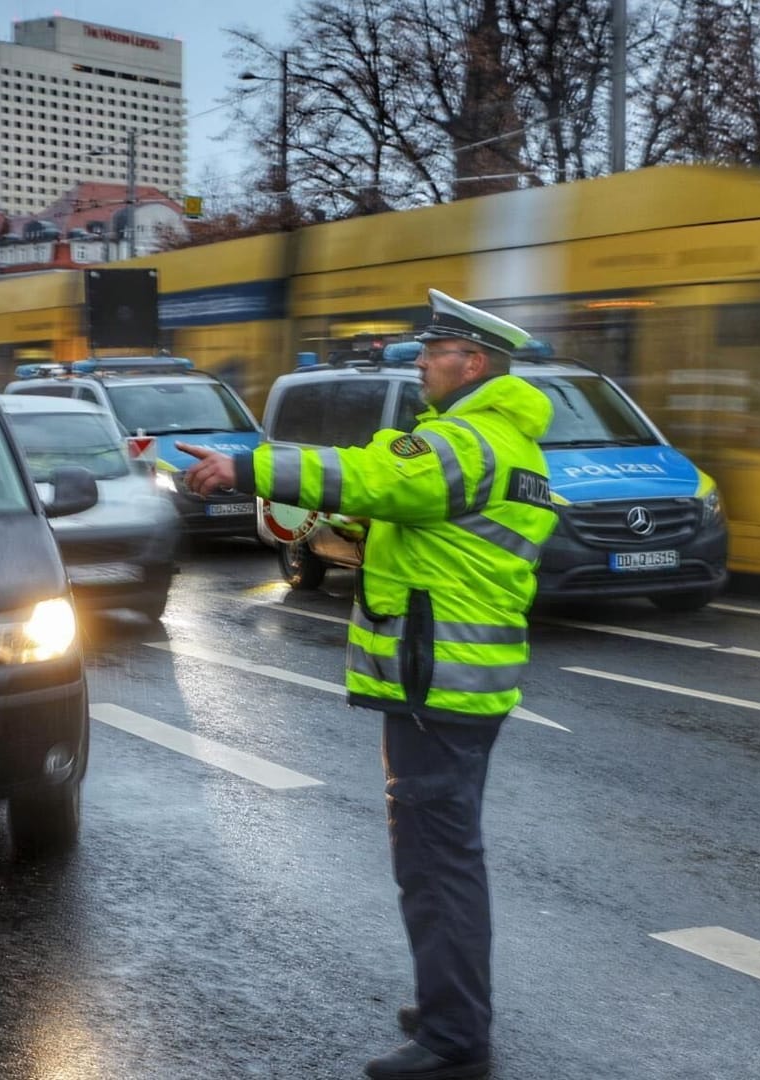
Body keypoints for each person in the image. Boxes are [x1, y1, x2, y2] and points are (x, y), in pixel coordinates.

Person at [178, 289, 558, 1080]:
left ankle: (455, 1041)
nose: (420, 362)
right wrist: (333, 529)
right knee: (442, 857)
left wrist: (246, 465)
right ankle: (452, 1004)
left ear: (474, 362)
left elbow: (369, 474)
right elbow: (409, 523)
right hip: (452, 681)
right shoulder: (496, 444)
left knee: (436, 863)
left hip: (437, 682)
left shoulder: (470, 440)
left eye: (434, 351)